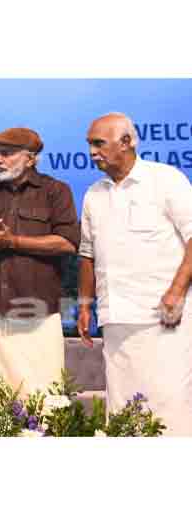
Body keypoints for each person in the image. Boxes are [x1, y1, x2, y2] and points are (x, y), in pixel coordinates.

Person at [78, 112, 192, 435]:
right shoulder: (93, 194)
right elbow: (86, 254)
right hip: (115, 320)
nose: (92, 152)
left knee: (169, 410)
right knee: (122, 412)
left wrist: (177, 291)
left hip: (164, 320)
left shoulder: (165, 179)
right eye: (89, 144)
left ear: (126, 142)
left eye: (99, 143)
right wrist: (85, 305)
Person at [0, 127, 78, 396]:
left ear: (31, 158)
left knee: (41, 399)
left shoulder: (55, 191)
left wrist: (11, 241)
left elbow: (67, 243)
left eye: (7, 154)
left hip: (38, 314)